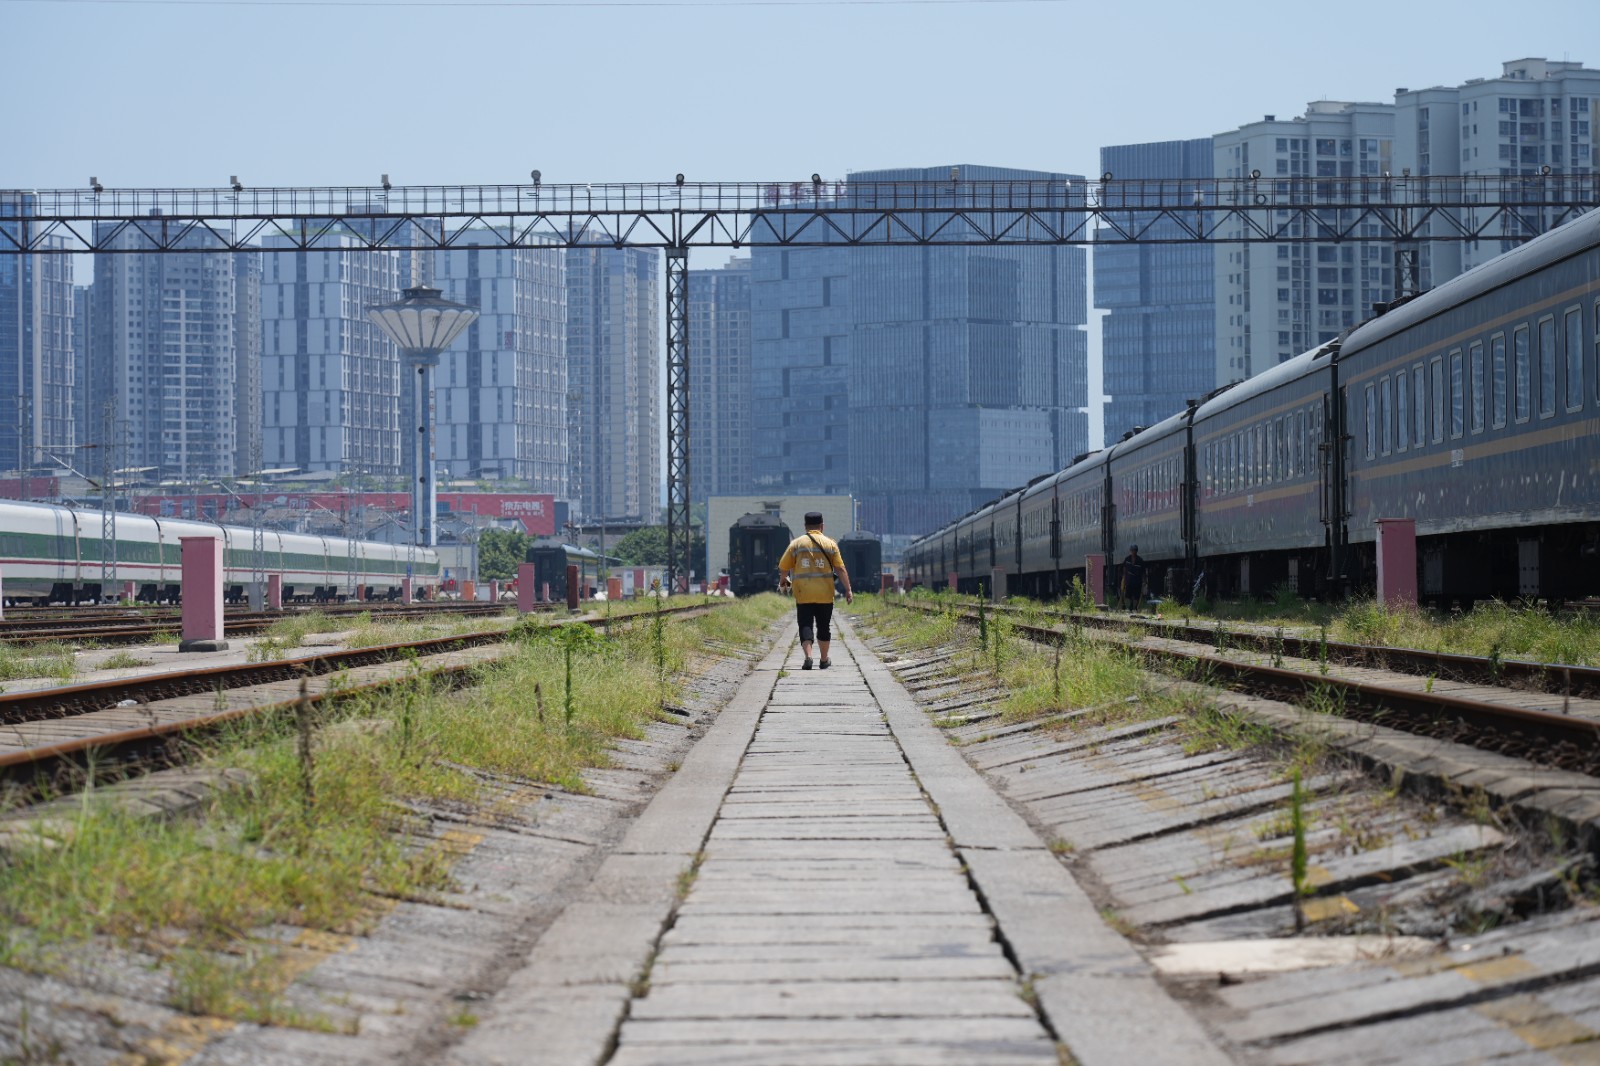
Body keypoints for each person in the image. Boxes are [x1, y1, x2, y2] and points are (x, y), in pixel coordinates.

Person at [777, 512, 854, 670]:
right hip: (825, 594)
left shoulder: (797, 544)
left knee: (805, 625)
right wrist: (848, 590)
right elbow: (840, 568)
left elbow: (783, 567)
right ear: (822, 526)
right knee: (824, 626)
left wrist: (783, 581)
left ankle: (808, 657)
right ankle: (824, 659)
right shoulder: (830, 544)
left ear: (805, 527)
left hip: (803, 594)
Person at [1118, 544, 1146, 610]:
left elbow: (1143, 572)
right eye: (1132, 550)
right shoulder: (1127, 559)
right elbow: (1124, 569)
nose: (1133, 552)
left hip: (1137, 580)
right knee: (1128, 594)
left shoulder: (1140, 560)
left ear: (1137, 551)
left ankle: (1135, 607)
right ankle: (1130, 606)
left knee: (1137, 595)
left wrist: (1144, 581)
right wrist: (1124, 578)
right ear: (1130, 551)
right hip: (1129, 580)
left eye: (1135, 550)